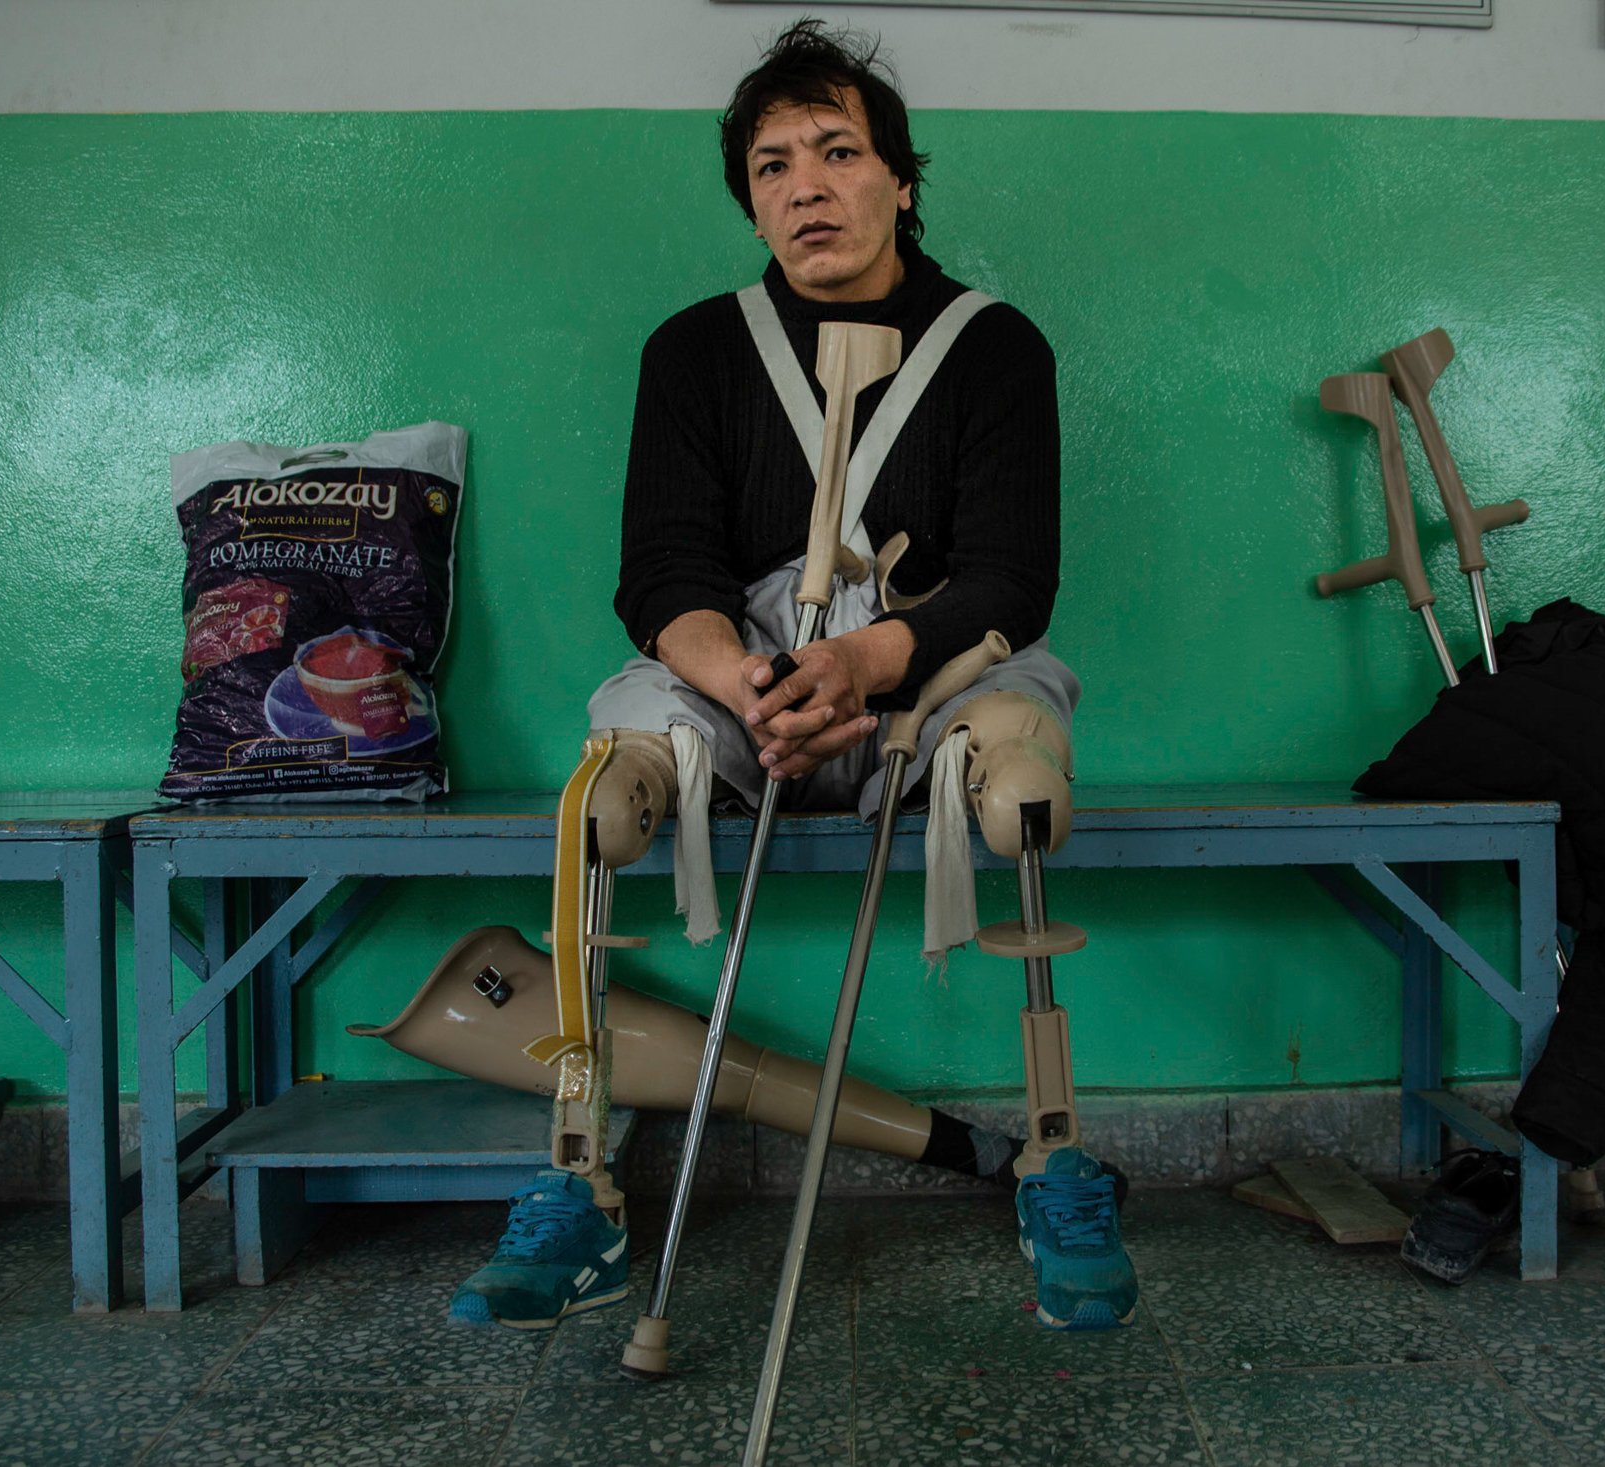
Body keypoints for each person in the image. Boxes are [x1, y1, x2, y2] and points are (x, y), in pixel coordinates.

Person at [447, 19, 1137, 1335]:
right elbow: (661, 574)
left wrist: (872, 661)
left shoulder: (995, 348)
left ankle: (1057, 1150)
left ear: (901, 179)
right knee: (603, 797)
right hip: (742, 682)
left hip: (931, 672)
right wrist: (751, 678)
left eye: (837, 152)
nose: (806, 186)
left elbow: (1009, 579)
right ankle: (578, 1182)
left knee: (1022, 790)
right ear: (750, 201)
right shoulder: (695, 352)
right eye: (772, 167)